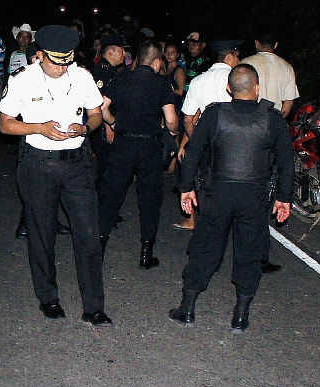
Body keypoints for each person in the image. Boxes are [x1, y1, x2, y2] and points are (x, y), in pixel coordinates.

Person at [0, 25, 112, 327]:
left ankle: (94, 307)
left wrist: (85, 128)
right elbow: (5, 124)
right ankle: (48, 298)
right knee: (42, 234)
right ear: (40, 55)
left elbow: (96, 113)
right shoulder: (22, 80)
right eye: (55, 62)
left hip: (77, 164)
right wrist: (39, 128)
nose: (61, 68)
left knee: (88, 234)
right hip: (39, 164)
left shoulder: (82, 76)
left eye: (66, 62)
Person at [169, 64, 294, 331]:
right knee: (249, 252)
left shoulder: (214, 114)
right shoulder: (272, 119)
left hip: (218, 194)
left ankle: (187, 308)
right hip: (254, 196)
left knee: (206, 248)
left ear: (229, 89)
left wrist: (186, 187)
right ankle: (240, 315)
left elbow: (193, 153)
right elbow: (286, 162)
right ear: (257, 89)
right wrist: (284, 197)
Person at [98, 41, 180, 268]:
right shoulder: (161, 83)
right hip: (149, 147)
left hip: (123, 144)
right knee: (149, 200)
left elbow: (102, 108)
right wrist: (172, 131)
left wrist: (114, 123)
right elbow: (171, 119)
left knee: (112, 195)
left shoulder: (121, 78)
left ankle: (99, 248)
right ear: (156, 62)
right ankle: (146, 254)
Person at [176, 40, 243, 230]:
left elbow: (188, 118)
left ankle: (209, 223)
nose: (238, 61)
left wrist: (197, 140)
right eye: (237, 56)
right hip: (235, 143)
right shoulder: (238, 80)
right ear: (229, 56)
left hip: (208, 143)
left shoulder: (198, 80)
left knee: (207, 184)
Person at [91, 33, 128, 195]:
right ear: (110, 52)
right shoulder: (103, 72)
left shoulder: (112, 71)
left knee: (109, 166)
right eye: (121, 50)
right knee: (106, 167)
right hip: (104, 125)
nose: (124, 54)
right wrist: (108, 126)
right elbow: (99, 103)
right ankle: (101, 200)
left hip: (109, 122)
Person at [240, 31, 298, 117]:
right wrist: (278, 119)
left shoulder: (245, 63)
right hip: (273, 117)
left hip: (250, 116)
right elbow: (288, 103)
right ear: (276, 45)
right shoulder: (287, 67)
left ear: (256, 43)